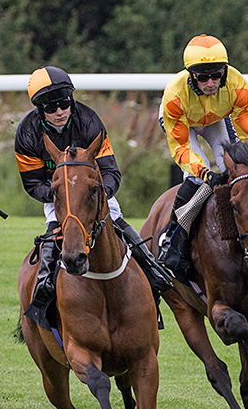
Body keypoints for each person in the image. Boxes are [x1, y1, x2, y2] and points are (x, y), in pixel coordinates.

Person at [14, 66, 173, 309]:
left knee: (118, 221)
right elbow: (32, 182)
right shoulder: (27, 132)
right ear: (40, 109)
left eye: (64, 103)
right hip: (56, 193)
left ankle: (153, 272)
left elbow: (110, 170)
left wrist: (101, 194)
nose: (59, 111)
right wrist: (61, 195)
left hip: (92, 192)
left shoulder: (89, 120)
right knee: (53, 231)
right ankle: (43, 290)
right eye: (50, 107)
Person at [158, 34, 248, 282]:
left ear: (224, 73)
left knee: (237, 168)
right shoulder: (175, 94)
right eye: (202, 77)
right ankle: (172, 235)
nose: (210, 82)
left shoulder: (238, 85)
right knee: (199, 175)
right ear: (191, 75)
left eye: (216, 75)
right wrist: (204, 173)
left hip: (216, 118)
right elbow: (182, 148)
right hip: (182, 123)